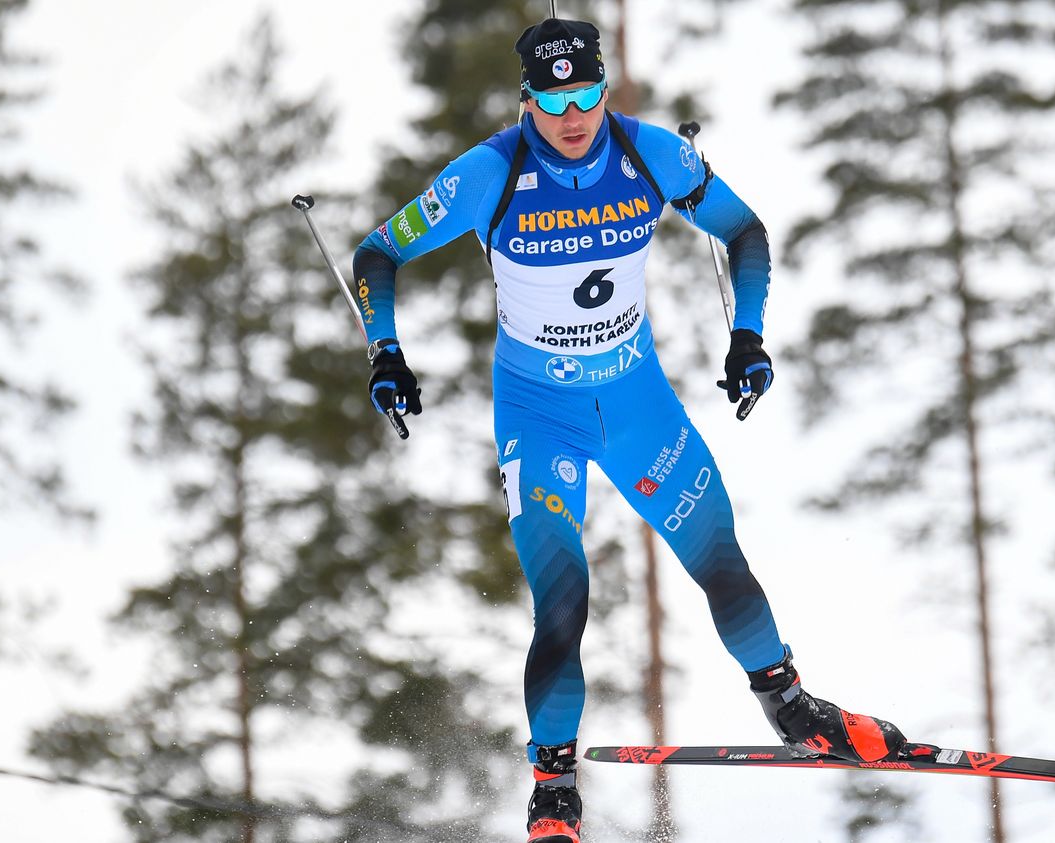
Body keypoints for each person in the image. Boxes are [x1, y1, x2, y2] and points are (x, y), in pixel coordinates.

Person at [351, 18, 909, 843]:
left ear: (604, 88)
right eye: (554, 98)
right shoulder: (488, 175)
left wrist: (747, 333)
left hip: (636, 401)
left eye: (588, 95)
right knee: (563, 602)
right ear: (527, 98)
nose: (574, 116)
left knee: (721, 561)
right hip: (539, 414)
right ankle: (552, 788)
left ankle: (793, 708)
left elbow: (745, 231)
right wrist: (386, 353)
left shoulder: (653, 155)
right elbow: (376, 255)